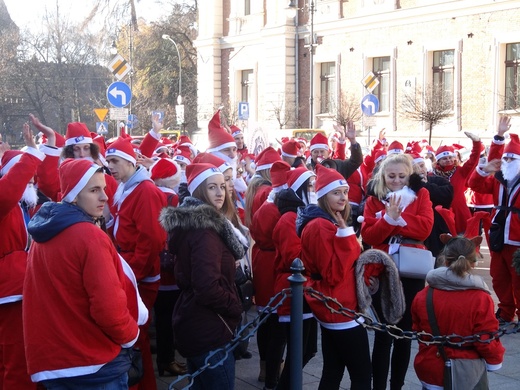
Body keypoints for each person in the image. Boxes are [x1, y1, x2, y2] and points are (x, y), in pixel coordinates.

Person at [23, 158, 140, 389]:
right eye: (94, 190)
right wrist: (131, 335)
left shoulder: (42, 235)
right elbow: (109, 309)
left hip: (54, 363)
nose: (105, 197)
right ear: (74, 195)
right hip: (93, 362)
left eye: (104, 189)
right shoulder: (90, 237)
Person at [159, 163, 245, 389]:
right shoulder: (204, 231)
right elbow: (207, 287)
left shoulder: (201, 225)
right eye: (212, 188)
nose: (219, 193)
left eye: (222, 187)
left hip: (199, 322)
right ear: (199, 191)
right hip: (209, 326)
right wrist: (234, 306)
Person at [361, 153, 434, 390]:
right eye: (391, 176)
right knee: (384, 334)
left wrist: (395, 219)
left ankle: (397, 386)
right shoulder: (374, 199)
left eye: (402, 176)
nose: (396, 180)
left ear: (409, 175)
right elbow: (370, 235)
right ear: (383, 175)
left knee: (404, 335)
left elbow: (424, 228)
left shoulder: (421, 194)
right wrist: (388, 220)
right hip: (384, 268)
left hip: (411, 269)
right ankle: (379, 386)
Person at [296, 164, 372, 389]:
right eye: (336, 193)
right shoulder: (320, 226)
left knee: (333, 370)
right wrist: (347, 237)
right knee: (360, 375)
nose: (343, 198)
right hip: (339, 308)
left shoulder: (325, 222)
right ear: (322, 196)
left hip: (333, 305)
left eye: (345, 192)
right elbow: (334, 274)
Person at [105, 137, 167, 390]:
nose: (110, 166)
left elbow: (152, 240)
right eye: (108, 160)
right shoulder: (128, 186)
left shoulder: (145, 191)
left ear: (130, 162)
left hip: (138, 274)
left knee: (135, 336)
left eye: (115, 161)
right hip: (129, 267)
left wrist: (131, 274)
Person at [411, 235, 505, 389]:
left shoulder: (424, 295)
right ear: (472, 264)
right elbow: (485, 339)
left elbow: (417, 329)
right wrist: (494, 361)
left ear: (445, 260)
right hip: (467, 372)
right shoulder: (481, 298)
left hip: (431, 368)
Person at [0, 123, 46, 389]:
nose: (30, 179)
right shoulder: (8, 198)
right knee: (16, 359)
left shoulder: (24, 202)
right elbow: (8, 192)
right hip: (9, 290)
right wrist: (30, 152)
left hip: (17, 285)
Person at [468, 115, 520, 323]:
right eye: (505, 159)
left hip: (517, 239)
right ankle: (506, 311)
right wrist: (484, 169)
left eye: (511, 159)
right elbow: (475, 185)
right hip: (499, 236)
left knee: (518, 280)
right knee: (499, 277)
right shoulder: (499, 180)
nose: (506, 162)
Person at [273, 165, 318, 390]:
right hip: (295, 291)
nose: (316, 189)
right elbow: (295, 259)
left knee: (307, 349)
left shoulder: (301, 214)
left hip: (305, 290)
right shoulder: (290, 218)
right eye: (311, 185)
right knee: (300, 350)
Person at [249, 160, 292, 387]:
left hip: (262, 261)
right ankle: (272, 370)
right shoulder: (275, 207)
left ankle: (266, 367)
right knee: (275, 323)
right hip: (272, 264)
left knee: (266, 320)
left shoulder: (265, 199)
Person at [431, 131, 482, 235]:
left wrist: (476, 143)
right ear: (438, 161)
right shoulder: (431, 175)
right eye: (444, 158)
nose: (448, 160)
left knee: (464, 243)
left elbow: (473, 160)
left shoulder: (460, 171)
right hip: (439, 214)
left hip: (460, 214)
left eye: (450, 157)